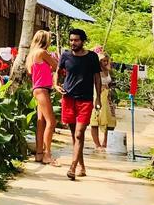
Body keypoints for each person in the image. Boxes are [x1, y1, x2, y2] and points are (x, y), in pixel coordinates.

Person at [58, 27, 103, 180]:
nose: (73, 43)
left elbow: (97, 77)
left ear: (83, 41)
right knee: (75, 136)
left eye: (76, 40)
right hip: (68, 98)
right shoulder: (65, 56)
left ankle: (72, 167)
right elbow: (57, 72)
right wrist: (56, 84)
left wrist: (98, 98)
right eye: (71, 40)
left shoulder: (92, 57)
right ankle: (81, 166)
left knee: (79, 133)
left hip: (85, 100)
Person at [26, 29, 59, 165]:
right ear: (45, 40)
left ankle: (39, 153)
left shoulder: (32, 55)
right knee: (51, 121)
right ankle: (47, 154)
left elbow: (38, 70)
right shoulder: (43, 53)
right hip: (42, 90)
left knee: (41, 122)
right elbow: (57, 66)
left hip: (37, 89)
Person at [90, 48, 117, 153]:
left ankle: (106, 142)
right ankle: (97, 144)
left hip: (107, 96)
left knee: (110, 120)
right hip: (98, 94)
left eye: (106, 60)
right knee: (96, 119)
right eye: (102, 61)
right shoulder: (96, 71)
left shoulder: (108, 71)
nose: (105, 62)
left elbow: (110, 82)